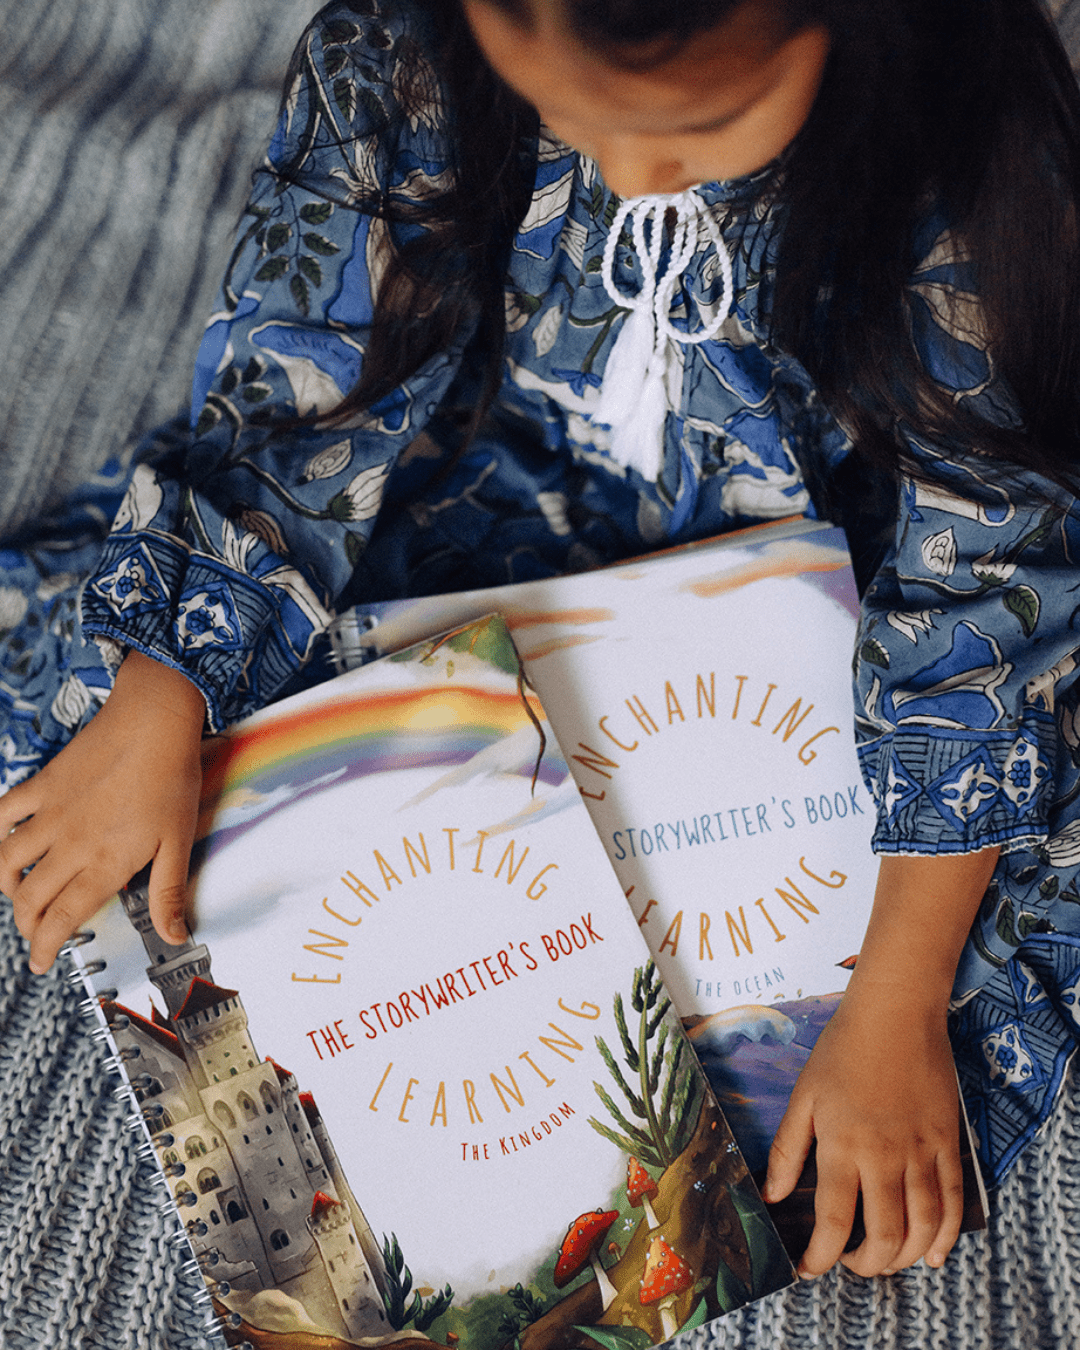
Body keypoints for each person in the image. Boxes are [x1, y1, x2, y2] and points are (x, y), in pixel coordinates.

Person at [1, 0, 1080, 1289]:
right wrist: (163, 689)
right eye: (574, 115)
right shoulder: (399, 58)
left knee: (941, 970)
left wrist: (895, 1002)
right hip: (483, 496)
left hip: (844, 574)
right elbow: (299, 389)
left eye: (701, 126)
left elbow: (982, 586)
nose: (629, 176)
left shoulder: (960, 155)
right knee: (124, 705)